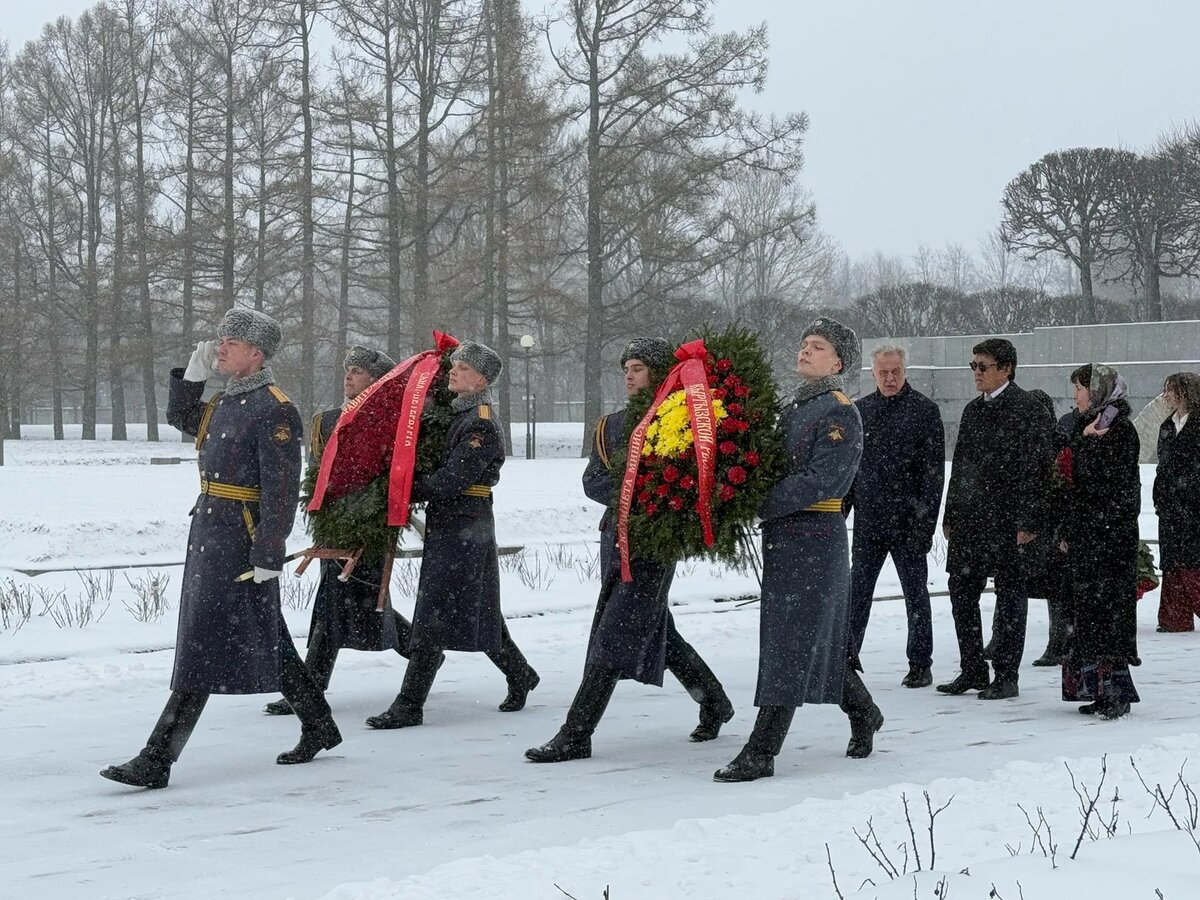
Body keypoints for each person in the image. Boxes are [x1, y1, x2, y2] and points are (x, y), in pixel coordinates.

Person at [101, 309, 341, 789]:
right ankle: (319, 723)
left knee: (204, 641)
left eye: (231, 342)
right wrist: (191, 378)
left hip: (241, 539)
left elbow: (279, 488)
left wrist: (270, 553)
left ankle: (158, 757)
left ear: (256, 354)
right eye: (221, 339)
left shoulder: (274, 408)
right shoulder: (229, 400)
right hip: (211, 531)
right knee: (266, 635)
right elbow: (183, 418)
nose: (220, 346)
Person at [525, 338, 735, 764]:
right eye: (626, 367)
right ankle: (713, 699)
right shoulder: (610, 425)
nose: (629, 374)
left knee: (613, 633)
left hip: (654, 543)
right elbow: (592, 481)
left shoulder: (675, 418)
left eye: (637, 367)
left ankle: (577, 732)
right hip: (615, 538)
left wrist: (647, 500)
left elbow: (686, 481)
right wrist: (636, 495)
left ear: (657, 372)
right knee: (659, 631)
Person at [715, 318, 882, 783]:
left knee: (790, 642)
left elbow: (822, 480)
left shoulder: (839, 411)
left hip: (815, 537)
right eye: (804, 343)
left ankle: (762, 750)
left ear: (838, 362)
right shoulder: (795, 406)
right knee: (807, 641)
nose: (806, 351)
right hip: (787, 537)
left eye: (818, 346)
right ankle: (863, 711)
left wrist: (757, 503)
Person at [364, 340, 539, 729]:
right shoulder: (458, 416)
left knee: (433, 613)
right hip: (454, 523)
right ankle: (520, 673)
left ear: (480, 379)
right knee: (477, 610)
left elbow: (451, 480)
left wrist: (402, 490)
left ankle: (410, 704)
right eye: (454, 366)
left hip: (466, 522)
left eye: (461, 368)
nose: (453, 372)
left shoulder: (479, 421)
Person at [263, 345, 433, 717]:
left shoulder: (392, 421)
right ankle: (317, 682)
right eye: (347, 370)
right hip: (333, 522)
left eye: (357, 371)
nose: (348, 376)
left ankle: (422, 655)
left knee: (363, 603)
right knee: (339, 603)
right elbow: (317, 471)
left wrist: (371, 514)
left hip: (370, 525)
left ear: (377, 381)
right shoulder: (327, 420)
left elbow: (398, 474)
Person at [937, 338, 1053, 700]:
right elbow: (961, 467)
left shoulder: (1027, 408)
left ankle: (1006, 674)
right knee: (962, 590)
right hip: (972, 518)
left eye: (983, 366)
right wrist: (950, 512)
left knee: (1010, 596)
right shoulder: (973, 411)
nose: (976, 373)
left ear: (1006, 369)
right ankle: (972, 667)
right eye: (973, 366)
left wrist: (1030, 521)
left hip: (1008, 519)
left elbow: (1038, 469)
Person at [845, 345, 944, 688]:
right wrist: (840, 512)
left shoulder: (924, 411)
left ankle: (920, 662)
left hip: (908, 521)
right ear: (872, 374)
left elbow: (933, 476)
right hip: (869, 521)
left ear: (905, 370)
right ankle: (846, 657)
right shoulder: (859, 412)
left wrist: (925, 524)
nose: (889, 378)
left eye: (895, 372)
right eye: (883, 372)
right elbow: (850, 470)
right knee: (857, 593)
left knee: (916, 594)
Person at [1059, 364, 1141, 719]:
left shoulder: (1118, 430)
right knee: (1088, 614)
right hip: (1087, 537)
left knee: (1109, 614)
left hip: (1110, 539)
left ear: (1097, 391)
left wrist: (1083, 445)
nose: (1075, 395)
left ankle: (1116, 692)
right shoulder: (1087, 426)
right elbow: (1064, 469)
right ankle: (1095, 688)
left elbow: (1097, 479)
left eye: (1080, 388)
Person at [1154, 372, 1200, 632]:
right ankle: (1175, 617)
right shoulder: (1167, 426)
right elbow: (1164, 465)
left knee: (1192, 561)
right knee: (1172, 561)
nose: (1166, 395)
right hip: (1171, 506)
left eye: (1171, 389)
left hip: (1193, 505)